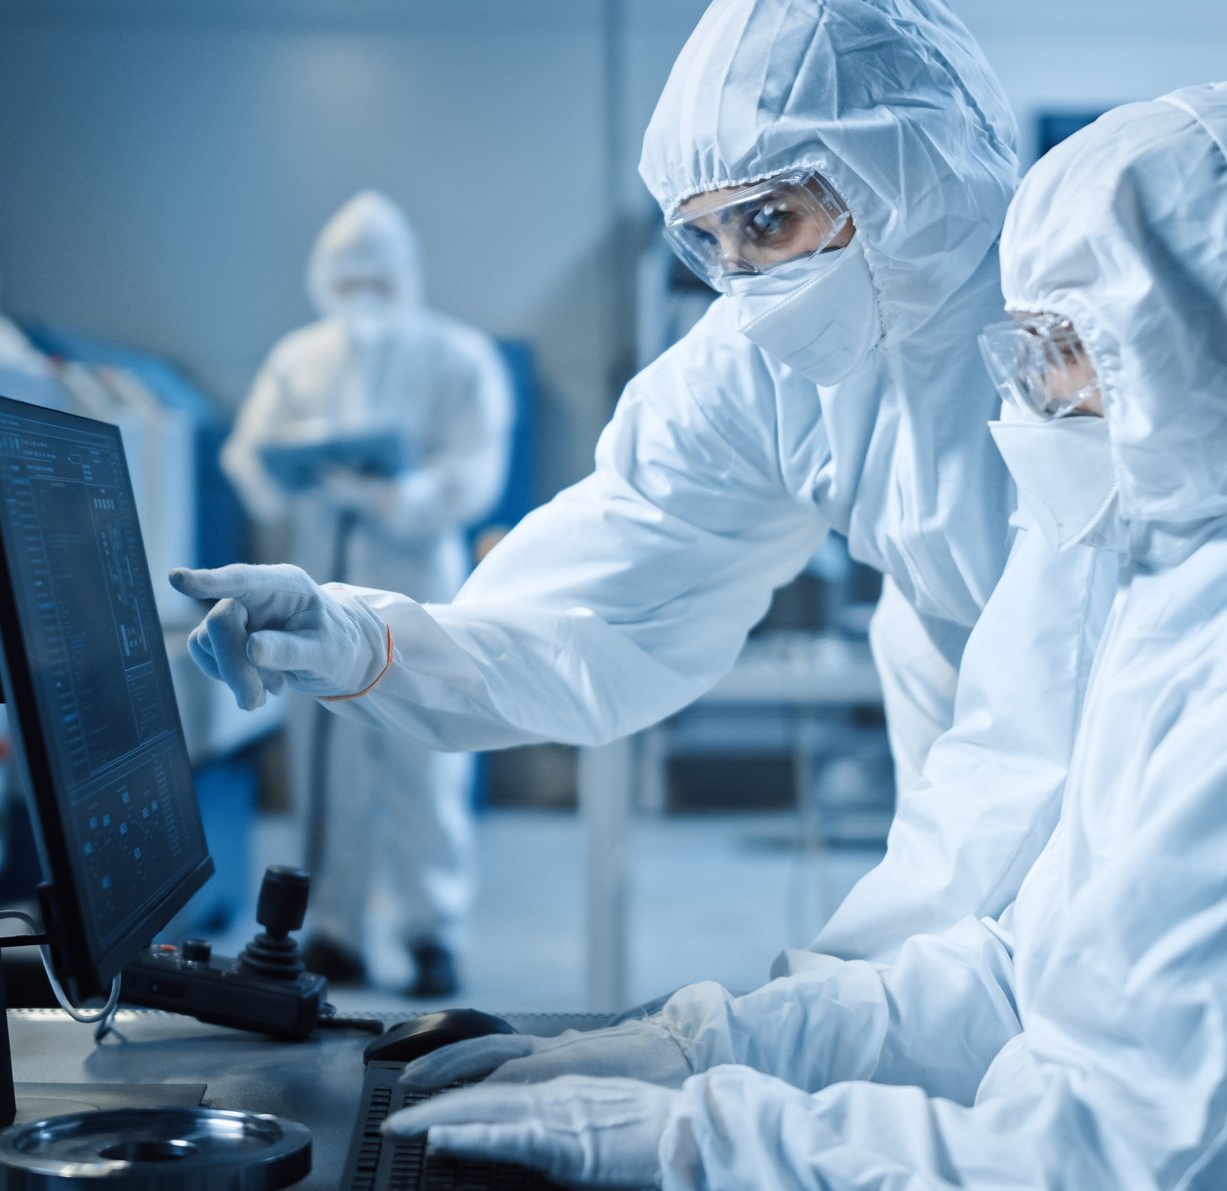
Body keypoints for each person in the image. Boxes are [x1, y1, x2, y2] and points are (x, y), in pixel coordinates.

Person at [387, 84, 1227, 1191]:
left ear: (1211, 345)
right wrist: (703, 1049)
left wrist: (701, 1142)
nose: (1033, 402)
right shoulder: (1213, 588)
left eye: (1061, 351)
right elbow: (1022, 972)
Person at [172, 0, 1026, 877]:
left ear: (907, 170)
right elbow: (601, 604)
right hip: (961, 759)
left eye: (766, 221)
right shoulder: (755, 366)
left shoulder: (1097, 318)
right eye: (709, 237)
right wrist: (357, 637)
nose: (737, 276)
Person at [214, 190, 514, 996]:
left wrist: (398, 497)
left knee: (425, 759)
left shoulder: (456, 357)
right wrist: (298, 470)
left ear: (404, 276)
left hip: (422, 585)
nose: (360, 298)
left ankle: (430, 931)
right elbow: (248, 457)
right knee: (328, 762)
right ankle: (333, 929)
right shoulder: (298, 359)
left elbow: (476, 469)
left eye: (374, 280)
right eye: (346, 282)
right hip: (322, 582)